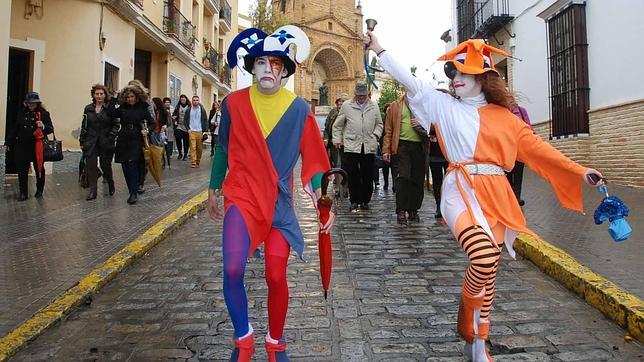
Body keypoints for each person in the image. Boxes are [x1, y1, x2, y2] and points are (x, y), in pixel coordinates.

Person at [365, 32, 604, 361]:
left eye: (465, 73)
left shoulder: (508, 119)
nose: (456, 79)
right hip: (459, 190)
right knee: (483, 257)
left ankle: (479, 341)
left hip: (496, 195)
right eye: (454, 73)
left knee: (489, 270)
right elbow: (411, 80)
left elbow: (540, 151)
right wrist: (379, 49)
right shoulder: (442, 104)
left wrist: (579, 171)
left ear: (484, 78)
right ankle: (468, 324)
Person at [208, 25, 332, 361]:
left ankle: (275, 342)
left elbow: (316, 162)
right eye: (261, 62)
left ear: (286, 71)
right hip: (243, 195)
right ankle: (244, 337)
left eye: (276, 64)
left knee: (275, 274)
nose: (268, 69)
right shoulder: (232, 103)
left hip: (279, 205)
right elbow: (222, 149)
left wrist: (325, 203)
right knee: (232, 269)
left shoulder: (300, 110)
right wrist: (213, 188)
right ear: (252, 67)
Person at [332, 81, 383, 211]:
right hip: (351, 145)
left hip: (368, 145)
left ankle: (365, 200)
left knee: (367, 174)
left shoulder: (374, 106)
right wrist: (337, 139)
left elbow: (379, 124)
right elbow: (338, 125)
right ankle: (354, 200)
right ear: (355, 94)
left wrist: (376, 135)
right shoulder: (347, 105)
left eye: (363, 95)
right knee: (353, 174)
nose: (361, 97)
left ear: (367, 94)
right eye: (359, 95)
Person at [383, 93, 428, 224]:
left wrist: (421, 123)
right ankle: (401, 210)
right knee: (403, 177)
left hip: (419, 146)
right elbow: (389, 130)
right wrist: (386, 149)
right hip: (402, 145)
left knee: (418, 179)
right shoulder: (395, 106)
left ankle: (413, 209)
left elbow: (433, 124)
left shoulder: (423, 106)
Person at [111, 85, 155, 204]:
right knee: (125, 165)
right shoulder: (122, 107)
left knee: (133, 164)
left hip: (137, 138)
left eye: (132, 96)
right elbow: (111, 113)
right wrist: (114, 98)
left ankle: (133, 193)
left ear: (136, 97)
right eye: (128, 97)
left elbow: (152, 123)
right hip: (123, 138)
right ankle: (131, 189)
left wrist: (147, 130)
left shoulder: (142, 108)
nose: (130, 99)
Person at [6, 92, 53, 201]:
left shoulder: (43, 114)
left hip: (37, 145)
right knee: (22, 170)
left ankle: (39, 190)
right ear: (26, 103)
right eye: (29, 103)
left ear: (37, 103)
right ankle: (23, 192)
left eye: (33, 103)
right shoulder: (22, 113)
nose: (31, 105)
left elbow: (50, 129)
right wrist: (9, 142)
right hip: (22, 145)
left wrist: (43, 126)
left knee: (39, 168)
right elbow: (16, 128)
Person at [80, 84, 120, 200]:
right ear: (93, 95)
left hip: (106, 140)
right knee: (91, 165)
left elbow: (116, 125)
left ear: (105, 95)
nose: (99, 96)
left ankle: (110, 181)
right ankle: (93, 191)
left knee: (105, 165)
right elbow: (84, 124)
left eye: (101, 94)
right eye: (96, 94)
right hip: (91, 141)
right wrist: (82, 140)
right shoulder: (88, 108)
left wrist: (111, 137)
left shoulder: (110, 108)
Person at [507, 104, 532, 206]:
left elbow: (528, 127)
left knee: (518, 175)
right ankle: (509, 197)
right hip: (506, 151)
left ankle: (516, 198)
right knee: (507, 175)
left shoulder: (521, 111)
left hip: (519, 151)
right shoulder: (501, 112)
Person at [428, 124, 448, 219]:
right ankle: (439, 206)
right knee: (437, 182)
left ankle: (449, 207)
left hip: (449, 153)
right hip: (434, 154)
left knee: (451, 182)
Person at [184, 95, 208, 168]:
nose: (195, 101)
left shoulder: (202, 109)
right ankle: (193, 162)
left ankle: (198, 161)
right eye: (194, 100)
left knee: (199, 148)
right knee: (192, 147)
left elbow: (205, 120)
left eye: (197, 100)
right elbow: (185, 120)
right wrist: (188, 129)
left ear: (199, 101)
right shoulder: (188, 110)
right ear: (192, 101)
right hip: (192, 131)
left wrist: (205, 131)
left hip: (200, 131)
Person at [172, 94, 190, 160]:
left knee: (186, 141)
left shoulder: (189, 107)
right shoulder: (178, 106)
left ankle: (185, 154)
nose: (182, 100)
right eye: (181, 99)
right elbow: (174, 114)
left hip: (186, 127)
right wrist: (174, 118)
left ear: (186, 99)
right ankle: (180, 153)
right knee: (178, 138)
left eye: (184, 99)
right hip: (179, 126)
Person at [162, 97, 175, 167]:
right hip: (165, 127)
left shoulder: (172, 109)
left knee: (171, 140)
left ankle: (169, 154)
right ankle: (165, 154)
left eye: (168, 102)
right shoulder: (162, 110)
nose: (167, 103)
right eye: (166, 102)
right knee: (165, 140)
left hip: (171, 127)